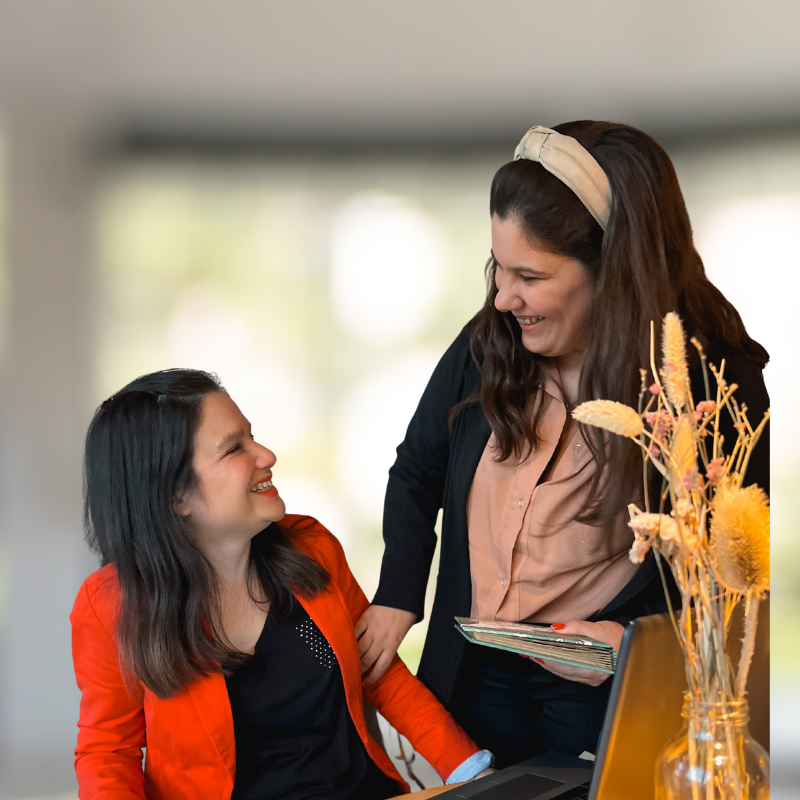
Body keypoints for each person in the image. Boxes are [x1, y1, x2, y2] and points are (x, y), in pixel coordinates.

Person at [355, 121, 770, 768]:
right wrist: (397, 594)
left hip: (597, 687)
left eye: (530, 274)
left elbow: (724, 571)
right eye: (497, 266)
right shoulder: (486, 344)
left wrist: (632, 637)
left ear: (611, 268)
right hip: (471, 667)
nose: (502, 295)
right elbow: (417, 471)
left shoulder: (712, 381)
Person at [71, 369, 493, 799]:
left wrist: (472, 770)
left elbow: (379, 673)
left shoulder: (312, 547)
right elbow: (109, 752)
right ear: (174, 495)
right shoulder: (110, 605)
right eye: (235, 448)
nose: (267, 454)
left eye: (252, 436)